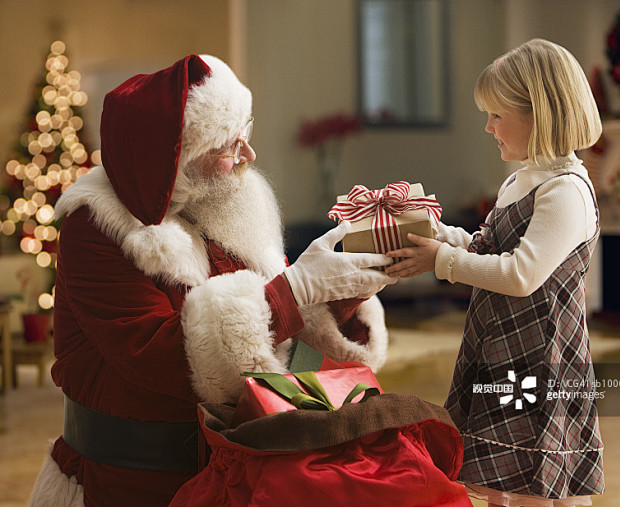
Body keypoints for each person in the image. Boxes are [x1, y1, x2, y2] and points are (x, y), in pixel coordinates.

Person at [29, 54, 397, 506]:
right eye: (229, 145)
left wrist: (342, 293)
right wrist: (296, 289)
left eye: (247, 133)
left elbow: (279, 352)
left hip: (240, 471)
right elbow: (158, 356)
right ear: (173, 160)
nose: (249, 156)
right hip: (136, 482)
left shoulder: (220, 212)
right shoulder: (97, 228)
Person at [385, 39, 604, 506]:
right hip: (499, 349)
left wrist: (440, 263)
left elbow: (520, 274)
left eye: (497, 115)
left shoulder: (565, 191)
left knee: (539, 483)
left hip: (537, 359)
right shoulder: (519, 180)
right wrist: (436, 234)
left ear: (540, 114)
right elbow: (488, 247)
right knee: (496, 478)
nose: (488, 127)